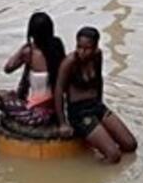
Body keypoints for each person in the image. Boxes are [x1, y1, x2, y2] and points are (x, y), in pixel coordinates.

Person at [54, 26, 137, 164]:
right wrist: (63, 123)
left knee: (130, 145)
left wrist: (101, 105)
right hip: (79, 112)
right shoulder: (69, 63)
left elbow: (99, 80)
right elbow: (58, 91)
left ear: (95, 47)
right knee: (113, 156)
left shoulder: (97, 56)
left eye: (87, 48)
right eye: (79, 47)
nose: (82, 52)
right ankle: (90, 178)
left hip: (96, 106)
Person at [0, 11, 65, 126]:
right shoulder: (57, 46)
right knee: (9, 94)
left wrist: (22, 49)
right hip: (55, 108)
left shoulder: (28, 52)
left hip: (37, 112)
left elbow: (8, 68)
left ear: (32, 32)